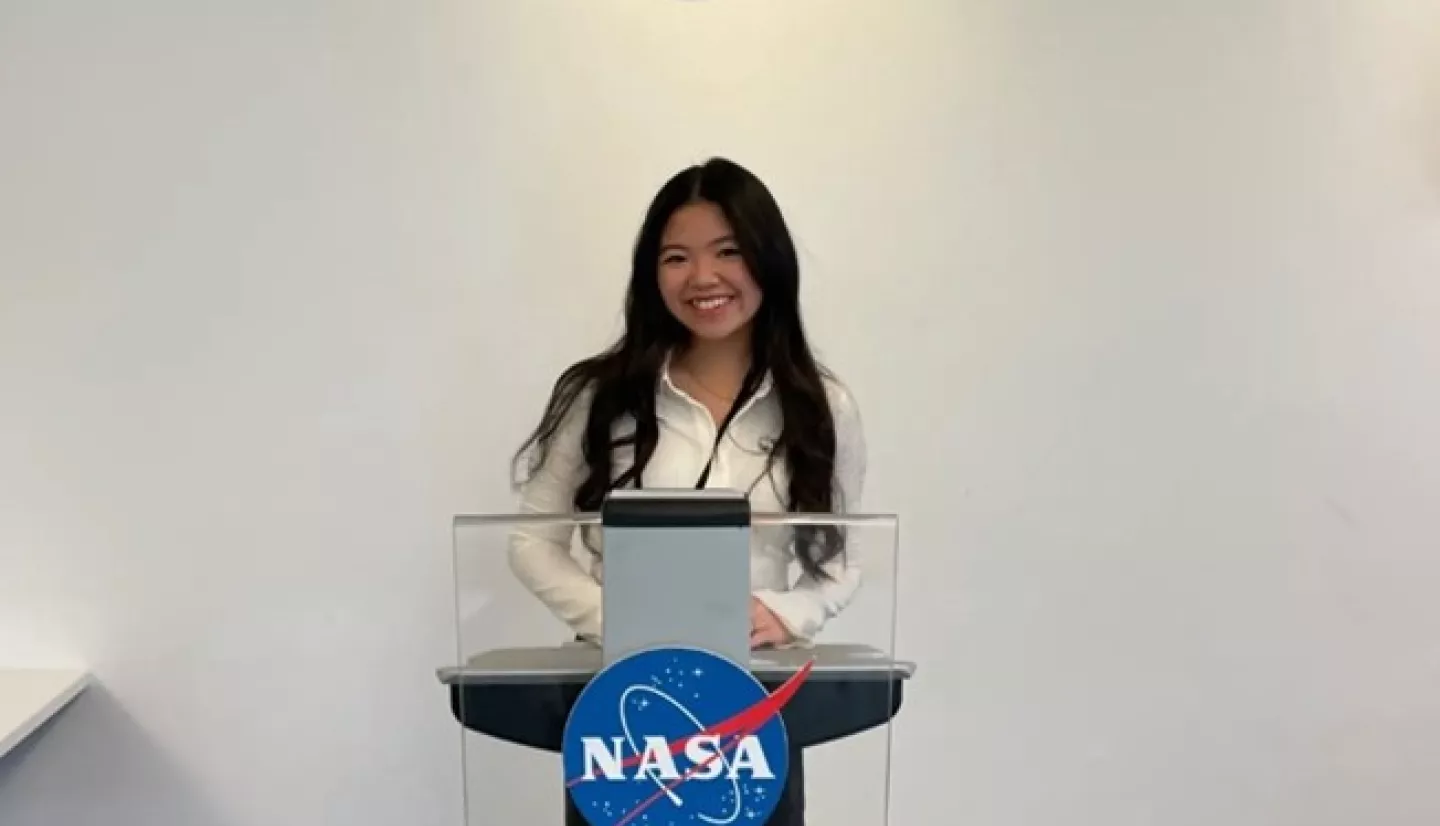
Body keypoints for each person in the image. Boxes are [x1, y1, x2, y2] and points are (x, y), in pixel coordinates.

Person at [508, 156, 867, 652]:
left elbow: (843, 560)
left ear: (770, 259)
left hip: (759, 684)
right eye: (677, 258)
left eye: (728, 252)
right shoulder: (600, 397)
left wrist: (787, 614)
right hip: (619, 677)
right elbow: (532, 541)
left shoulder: (822, 405)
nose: (703, 276)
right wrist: (619, 623)